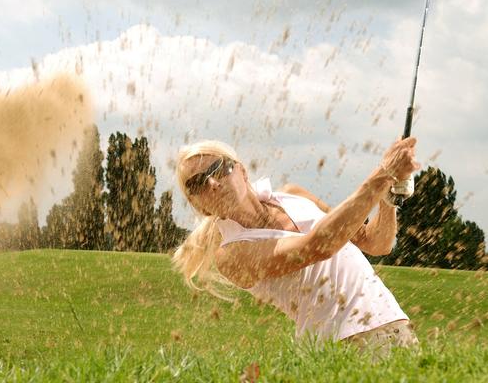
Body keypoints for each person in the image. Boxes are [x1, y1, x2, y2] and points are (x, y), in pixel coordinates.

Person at [171, 138, 421, 358]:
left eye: (218, 168)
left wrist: (390, 196)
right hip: (341, 347)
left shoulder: (293, 194)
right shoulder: (231, 253)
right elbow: (318, 247)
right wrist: (384, 174)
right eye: (197, 184)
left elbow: (376, 242)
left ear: (242, 171)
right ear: (200, 207)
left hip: (394, 323)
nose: (213, 182)